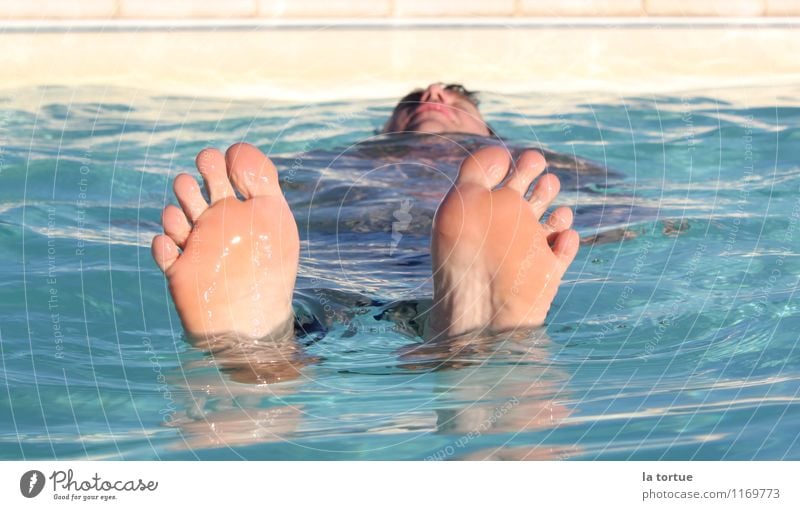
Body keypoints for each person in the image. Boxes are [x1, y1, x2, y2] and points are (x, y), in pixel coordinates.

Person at [151, 83, 580, 347]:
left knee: (304, 319)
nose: (431, 94)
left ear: (490, 132)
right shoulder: (333, 161)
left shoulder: (324, 164)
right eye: (413, 99)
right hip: (347, 269)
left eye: (456, 96)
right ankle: (474, 346)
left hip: (339, 269)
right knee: (458, 335)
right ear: (382, 131)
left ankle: (255, 354)